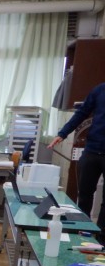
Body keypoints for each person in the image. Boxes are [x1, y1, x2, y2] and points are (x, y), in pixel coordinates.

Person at [49, 82, 105, 235]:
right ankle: (82, 230)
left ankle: (101, 239)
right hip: (92, 150)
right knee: (85, 194)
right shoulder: (100, 90)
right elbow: (81, 113)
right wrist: (62, 134)